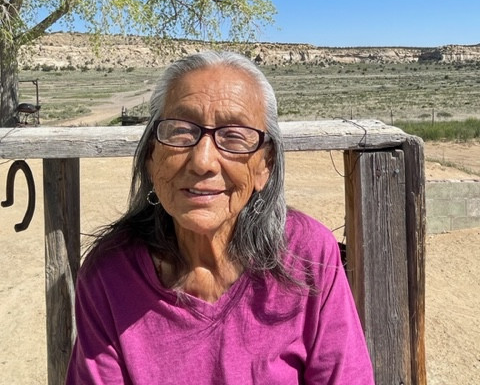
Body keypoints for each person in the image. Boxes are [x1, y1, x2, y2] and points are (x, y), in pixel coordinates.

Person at [66, 51, 374, 384]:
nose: (203, 161)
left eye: (234, 137)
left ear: (264, 166)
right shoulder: (110, 276)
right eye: (181, 131)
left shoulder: (308, 254)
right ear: (152, 158)